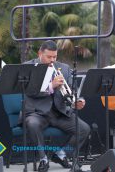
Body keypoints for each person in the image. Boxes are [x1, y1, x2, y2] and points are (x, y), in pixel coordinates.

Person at [23, 40, 90, 172]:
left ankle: (61, 154)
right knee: (32, 123)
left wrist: (78, 100)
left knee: (84, 129)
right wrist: (51, 86)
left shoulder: (63, 68)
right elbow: (29, 91)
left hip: (59, 112)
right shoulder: (29, 66)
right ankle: (43, 159)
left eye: (55, 57)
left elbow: (73, 89)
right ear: (40, 53)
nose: (52, 60)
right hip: (38, 113)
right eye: (49, 57)